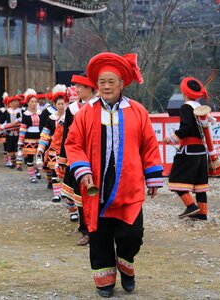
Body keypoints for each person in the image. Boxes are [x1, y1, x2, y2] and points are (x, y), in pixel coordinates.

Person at [65, 52, 163, 298]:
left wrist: (152, 176)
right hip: (96, 184)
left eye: (111, 81)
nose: (106, 86)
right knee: (99, 235)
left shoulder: (137, 111)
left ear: (121, 84)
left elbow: (149, 145)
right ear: (96, 85)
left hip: (128, 184)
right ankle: (105, 282)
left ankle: (126, 265)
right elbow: (73, 143)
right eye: (101, 82)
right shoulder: (86, 112)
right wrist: (82, 169)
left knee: (131, 235)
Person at [163, 77, 210, 220]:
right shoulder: (201, 109)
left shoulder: (186, 107)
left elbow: (185, 128)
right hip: (202, 150)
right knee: (200, 183)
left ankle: (191, 206)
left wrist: (170, 139)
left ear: (184, 91)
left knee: (175, 178)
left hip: (189, 149)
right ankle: (202, 213)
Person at [59, 73, 97, 242]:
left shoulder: (100, 107)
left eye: (80, 86)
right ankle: (86, 230)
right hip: (77, 156)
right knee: (79, 194)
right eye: (75, 86)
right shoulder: (72, 109)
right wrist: (62, 159)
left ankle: (100, 229)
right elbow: (66, 136)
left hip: (97, 155)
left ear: (90, 88)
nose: (76, 89)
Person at [37, 84, 67, 202]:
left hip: (66, 149)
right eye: (58, 104)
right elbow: (45, 134)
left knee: (65, 172)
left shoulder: (69, 117)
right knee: (55, 170)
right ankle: (56, 194)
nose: (61, 106)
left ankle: (65, 192)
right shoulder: (51, 118)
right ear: (54, 105)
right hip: (54, 148)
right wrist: (40, 148)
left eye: (62, 103)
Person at [18, 88, 41, 183]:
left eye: (35, 101)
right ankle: (32, 175)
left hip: (39, 138)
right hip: (29, 139)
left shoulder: (41, 113)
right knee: (30, 157)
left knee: (39, 156)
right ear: (28, 103)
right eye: (32, 101)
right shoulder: (25, 115)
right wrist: (20, 141)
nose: (34, 103)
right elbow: (23, 129)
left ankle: (36, 170)